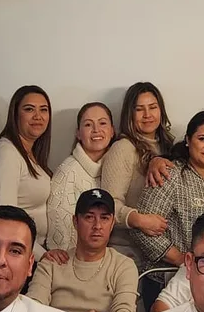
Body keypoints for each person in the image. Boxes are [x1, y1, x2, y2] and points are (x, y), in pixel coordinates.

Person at [46, 102, 168, 255]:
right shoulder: (67, 173)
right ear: (78, 133)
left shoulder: (116, 164)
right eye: (88, 125)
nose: (96, 130)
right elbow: (60, 241)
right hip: (78, 260)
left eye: (102, 123)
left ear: (112, 131)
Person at [27, 188, 140, 312]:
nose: (97, 226)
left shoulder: (123, 265)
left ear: (112, 223)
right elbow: (33, 306)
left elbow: (125, 311)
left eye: (104, 218)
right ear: (75, 221)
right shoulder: (53, 262)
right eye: (89, 217)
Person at [134, 110, 204, 271]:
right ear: (188, 140)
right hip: (171, 276)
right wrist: (181, 259)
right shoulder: (169, 174)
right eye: (202, 139)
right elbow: (141, 229)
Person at [101, 82, 176, 257]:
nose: (147, 115)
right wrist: (140, 220)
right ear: (130, 114)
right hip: (128, 252)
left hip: (163, 249)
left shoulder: (169, 147)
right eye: (139, 109)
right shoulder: (123, 148)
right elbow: (109, 204)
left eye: (153, 107)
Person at [0, 85, 55, 250]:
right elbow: (8, 219)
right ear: (15, 115)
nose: (38, 116)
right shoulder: (6, 154)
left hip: (33, 250)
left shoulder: (31, 154)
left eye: (43, 110)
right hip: (17, 251)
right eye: (29, 109)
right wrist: (42, 255)